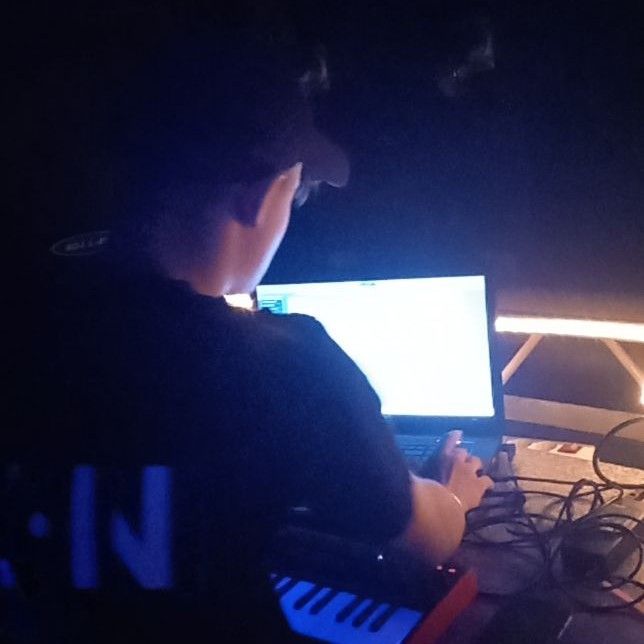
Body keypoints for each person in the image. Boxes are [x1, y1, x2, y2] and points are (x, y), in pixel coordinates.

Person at [5, 3, 492, 642]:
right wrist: (454, 494)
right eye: (297, 192)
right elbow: (425, 539)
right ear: (258, 196)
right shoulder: (283, 363)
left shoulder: (27, 332)